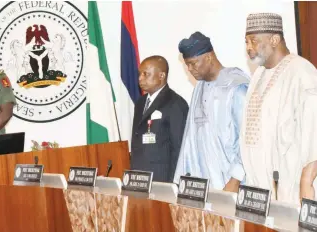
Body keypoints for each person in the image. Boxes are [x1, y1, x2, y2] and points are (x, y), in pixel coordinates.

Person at [241, 13, 317, 204]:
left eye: (254, 41)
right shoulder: (258, 76)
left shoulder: (302, 73)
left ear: (274, 39)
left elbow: (314, 135)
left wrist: (306, 183)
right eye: (246, 41)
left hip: (291, 189)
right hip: (259, 190)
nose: (249, 47)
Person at [173, 32, 250, 192]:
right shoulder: (199, 89)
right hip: (204, 186)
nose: (189, 69)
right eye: (187, 65)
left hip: (231, 185)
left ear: (208, 57)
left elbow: (247, 139)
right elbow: (191, 140)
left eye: (193, 63)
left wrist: (235, 180)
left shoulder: (236, 87)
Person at [131, 55, 189, 182]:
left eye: (146, 74)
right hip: (139, 177)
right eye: (140, 74)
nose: (140, 78)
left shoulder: (175, 103)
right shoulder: (140, 103)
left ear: (161, 76)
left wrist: (172, 184)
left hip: (162, 180)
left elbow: (178, 149)